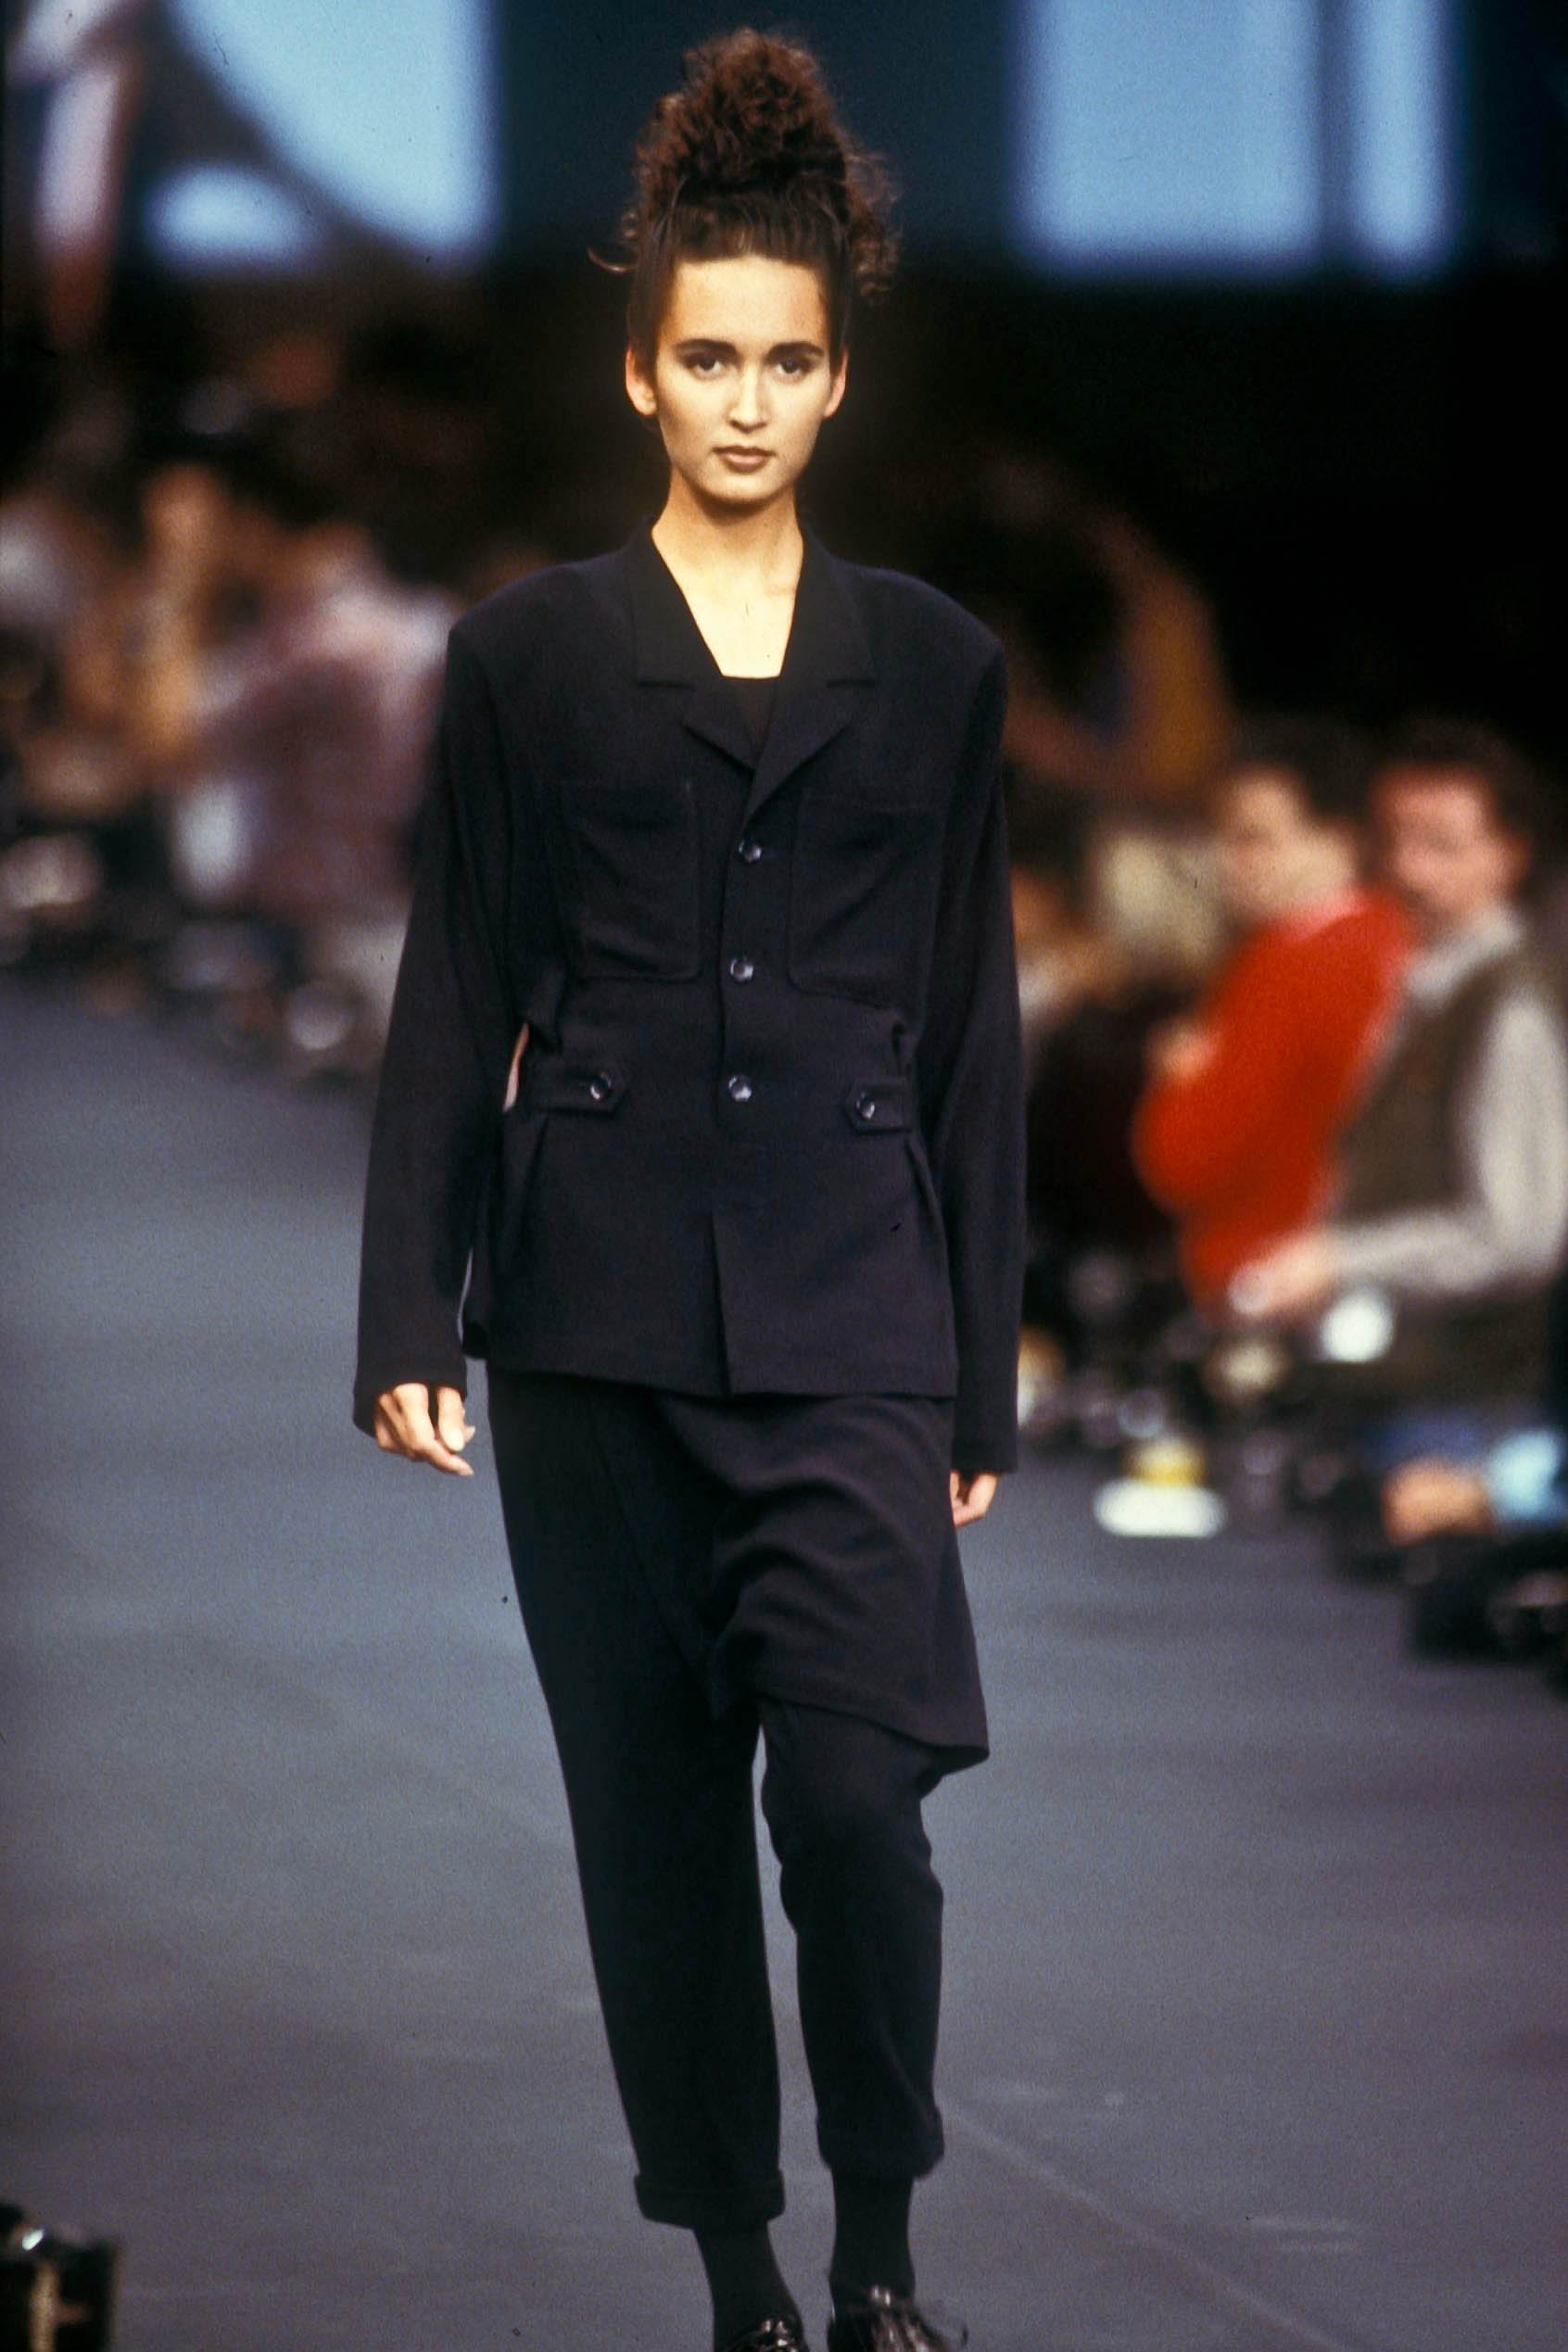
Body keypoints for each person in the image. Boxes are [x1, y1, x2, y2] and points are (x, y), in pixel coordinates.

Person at [352, 32, 1025, 2352]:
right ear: (639, 373)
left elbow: (972, 1023)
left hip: (852, 1307)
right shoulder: (529, 657)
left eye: (786, 363)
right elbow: (457, 981)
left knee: (854, 1806)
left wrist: (982, 1366)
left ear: (838, 380)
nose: (746, 402)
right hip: (593, 1312)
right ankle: (746, 2281)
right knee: (653, 1828)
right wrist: (405, 1311)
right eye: (707, 359)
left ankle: (881, 2248)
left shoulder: (932, 667)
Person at [1234, 720, 1568, 1459]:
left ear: (1509, 854)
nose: (1410, 870)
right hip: (1396, 1387)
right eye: (1398, 840)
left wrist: (1339, 1259)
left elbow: (1518, 1235)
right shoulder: (1428, 980)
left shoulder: (1510, 1009)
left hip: (1461, 1412)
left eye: (1443, 845)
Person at [1132, 718, 1408, 1309]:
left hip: (1270, 1283)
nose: (1228, 861)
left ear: (1339, 840)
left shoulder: (1288, 963)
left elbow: (1185, 1160)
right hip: (1359, 1277)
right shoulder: (1398, 940)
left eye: (1254, 839)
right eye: (1224, 837)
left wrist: (1182, 1080)